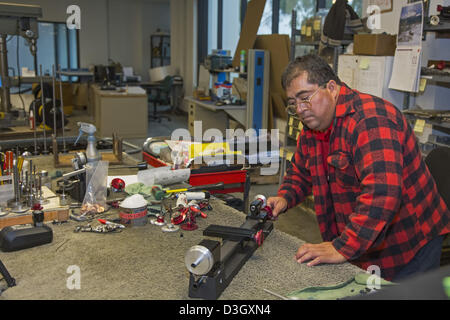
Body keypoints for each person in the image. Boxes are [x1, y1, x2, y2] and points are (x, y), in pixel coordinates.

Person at [268, 54, 450, 281]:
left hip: (409, 243)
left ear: (332, 88)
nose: (301, 109)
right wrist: (284, 197)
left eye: (305, 98)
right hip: (365, 241)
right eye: (294, 103)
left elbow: (382, 194)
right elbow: (302, 172)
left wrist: (343, 247)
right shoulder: (313, 126)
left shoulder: (371, 120)